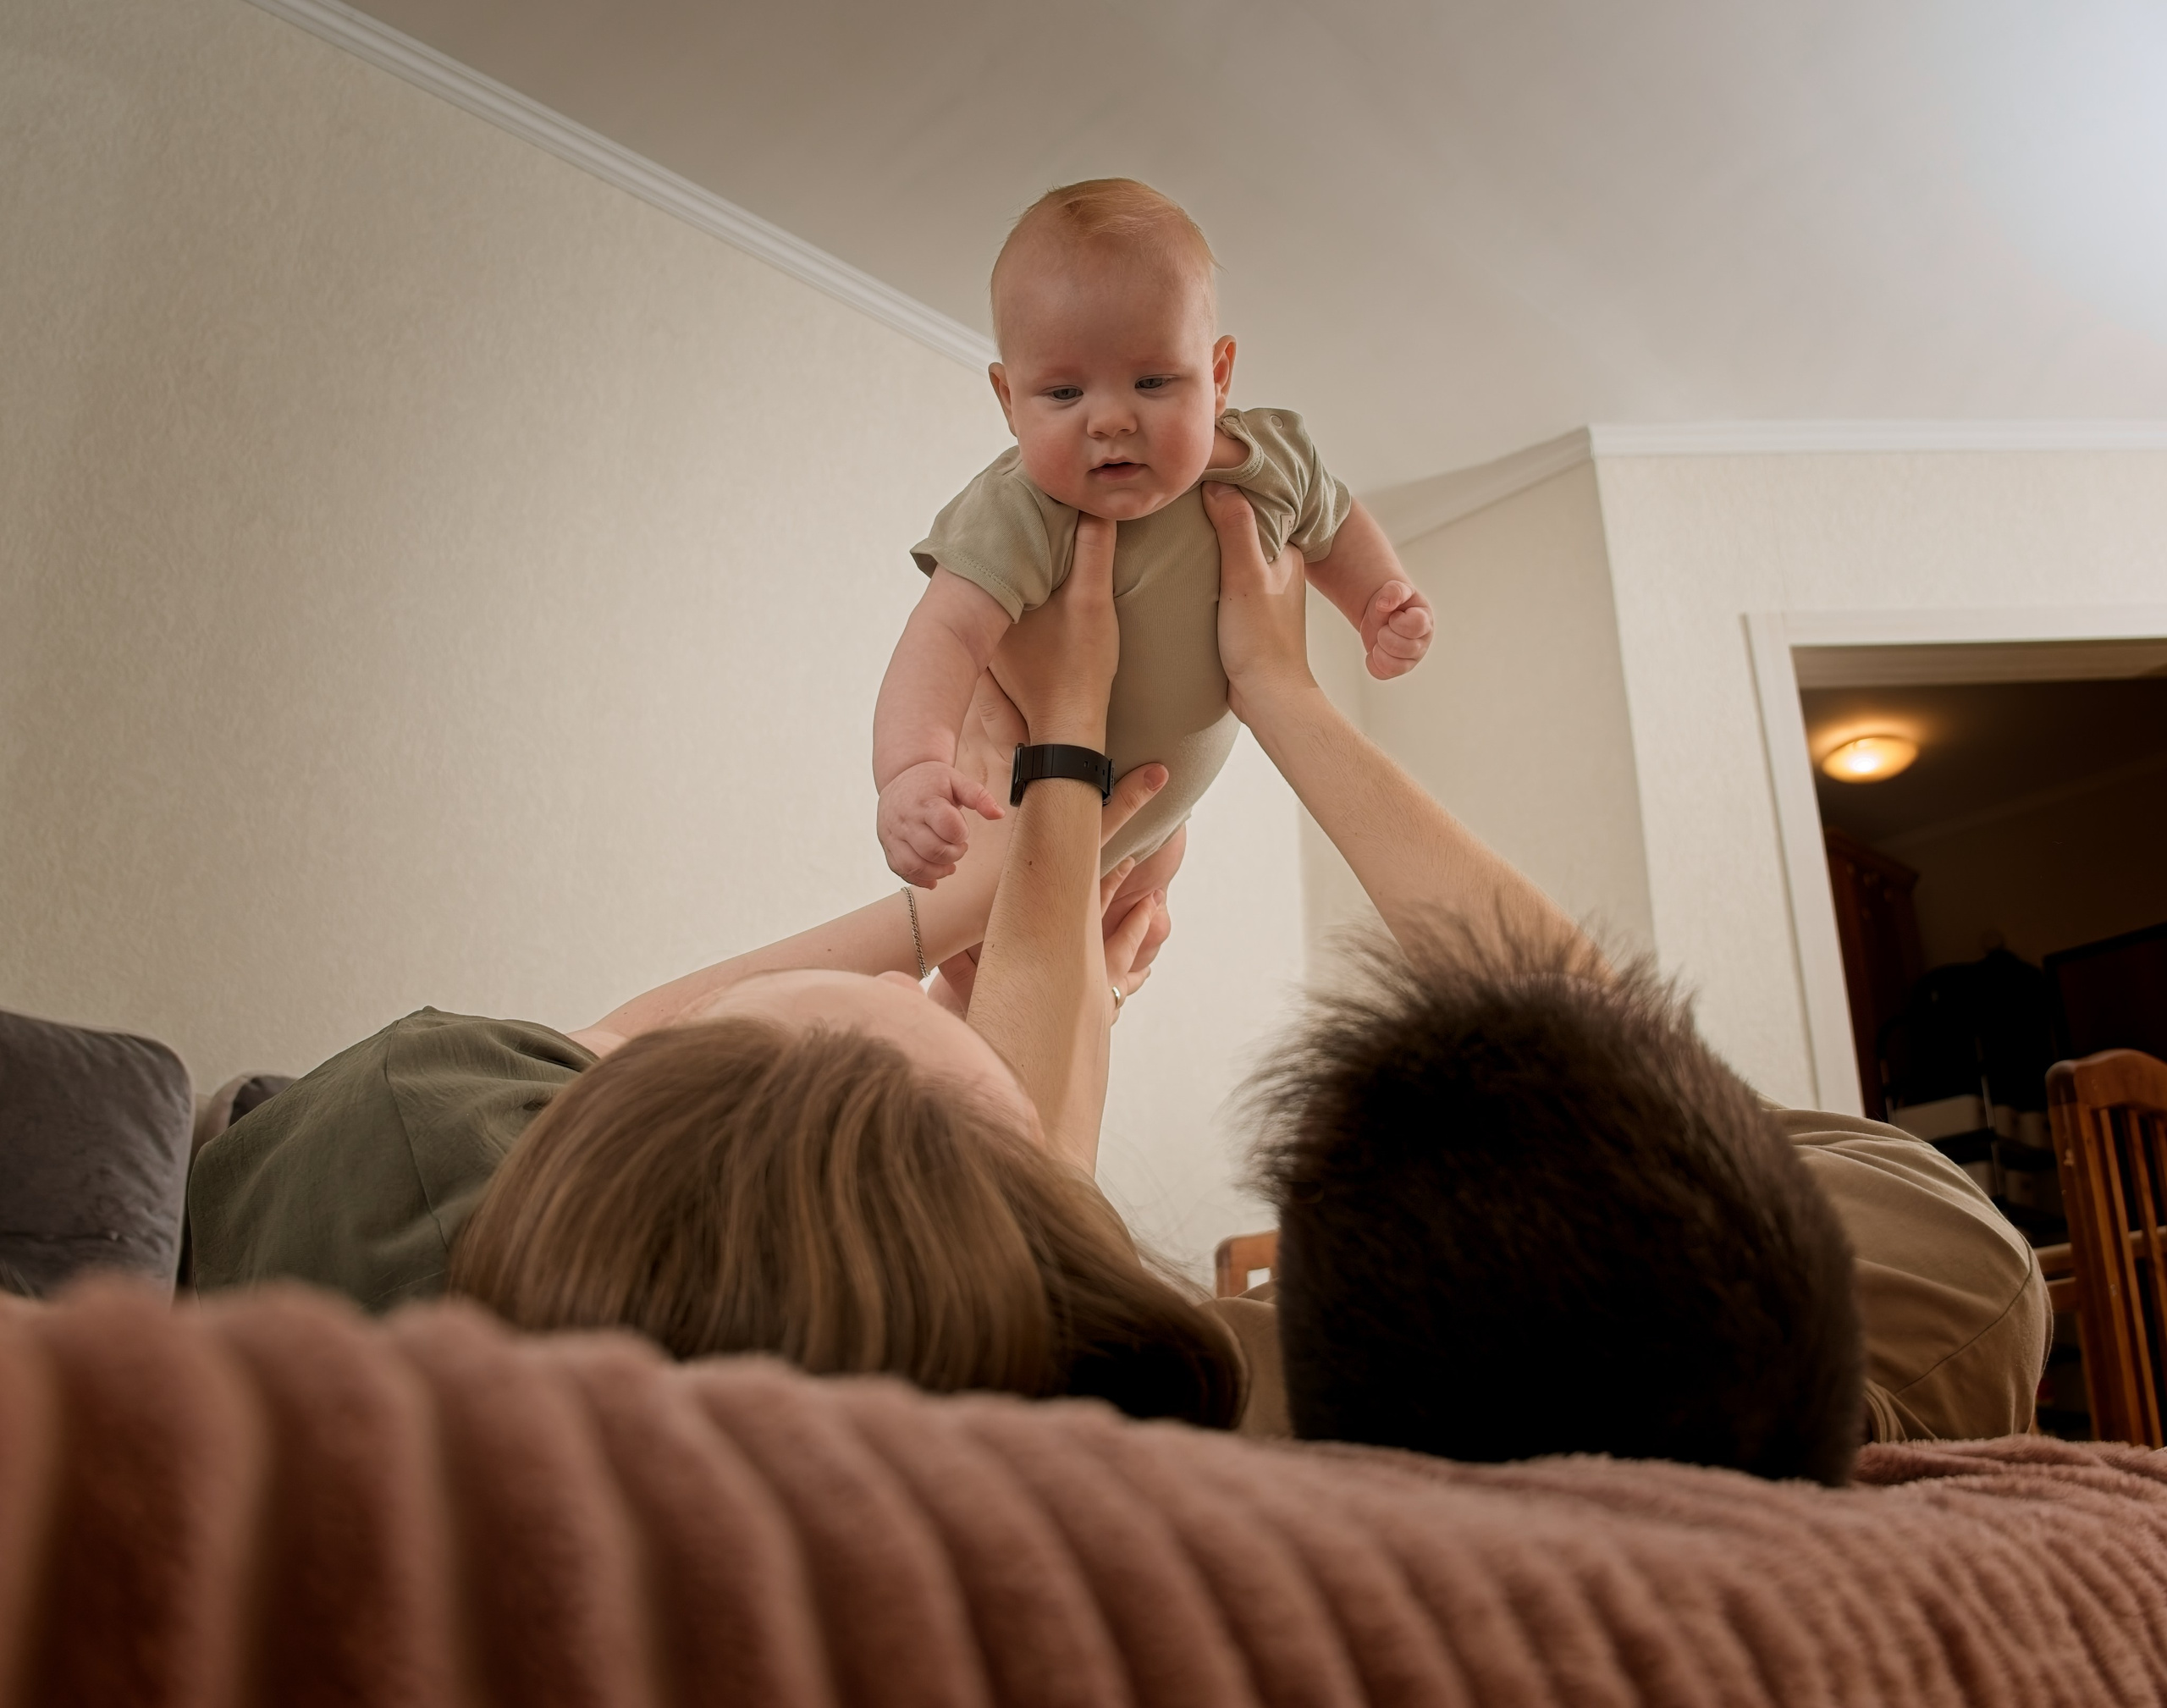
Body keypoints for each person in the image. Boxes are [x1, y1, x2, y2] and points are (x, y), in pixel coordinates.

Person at [188, 522, 1243, 1427]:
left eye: (871, 1023)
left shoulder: (415, 1126)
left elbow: (616, 1044)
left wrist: (974, 890)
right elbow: (1020, 1313)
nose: (896, 984)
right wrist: (1059, 1000)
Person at [1193, 479, 2050, 1472]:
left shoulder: (1276, 1390)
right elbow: (1598, 1033)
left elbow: (1014, 1344)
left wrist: (1066, 776)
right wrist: (1279, 694)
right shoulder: (1956, 1267)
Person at [872, 178, 1435, 902]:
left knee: (1123, 938)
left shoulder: (1271, 463)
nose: (1109, 419)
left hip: (1156, 830)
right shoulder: (1018, 513)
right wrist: (912, 769)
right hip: (1024, 808)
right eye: (1064, 394)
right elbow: (944, 636)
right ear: (1009, 400)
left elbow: (1337, 520)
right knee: (989, 963)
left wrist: (1378, 600)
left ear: (1220, 375)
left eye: (1153, 380)